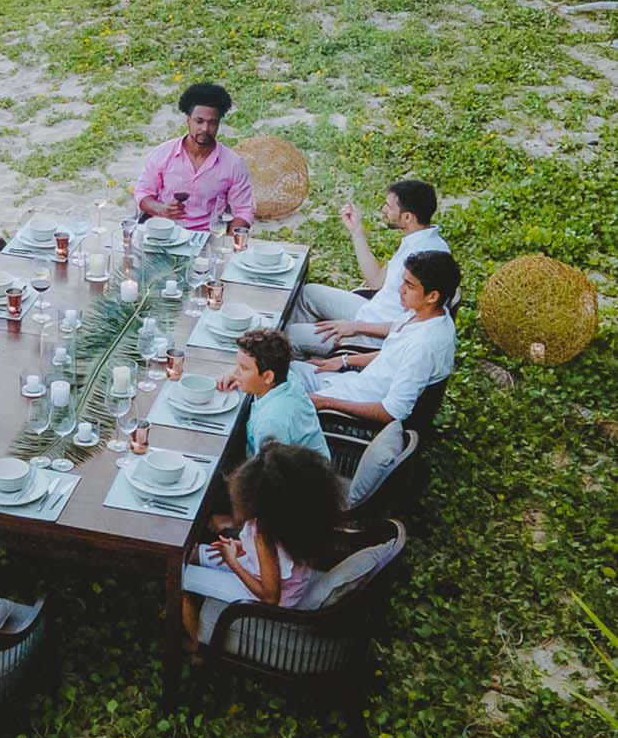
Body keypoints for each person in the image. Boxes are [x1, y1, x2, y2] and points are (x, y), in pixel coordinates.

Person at [181, 444, 343, 642]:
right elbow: (277, 555)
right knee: (194, 554)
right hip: (269, 572)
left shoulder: (264, 534)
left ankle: (197, 649)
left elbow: (270, 597)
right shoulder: (289, 519)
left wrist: (232, 561)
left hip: (274, 601)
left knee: (180, 577)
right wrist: (240, 547)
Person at [292, 250, 460, 429]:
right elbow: (392, 355)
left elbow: (391, 412)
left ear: (432, 296)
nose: (400, 290)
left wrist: (326, 402)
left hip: (350, 415)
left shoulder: (424, 346)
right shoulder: (424, 314)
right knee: (282, 369)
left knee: (271, 387)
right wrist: (343, 360)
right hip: (350, 384)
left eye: (410, 286)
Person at [287, 179, 448, 356]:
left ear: (407, 217)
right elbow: (376, 281)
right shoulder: (417, 240)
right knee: (308, 293)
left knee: (289, 335)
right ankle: (305, 352)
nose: (383, 210)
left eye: (388, 206)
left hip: (373, 337)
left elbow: (412, 327)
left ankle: (300, 364)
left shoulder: (427, 259)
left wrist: (356, 327)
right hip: (371, 311)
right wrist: (357, 231)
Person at [134, 83, 254, 233]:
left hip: (207, 237)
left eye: (212, 123)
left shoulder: (233, 164)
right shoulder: (162, 154)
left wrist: (232, 243)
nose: (205, 129)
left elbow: (243, 211)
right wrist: (161, 209)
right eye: (199, 121)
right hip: (163, 232)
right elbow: (143, 194)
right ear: (188, 119)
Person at [215, 328, 329, 462]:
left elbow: (268, 476)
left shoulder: (270, 423)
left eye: (244, 368)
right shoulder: (286, 376)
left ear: (268, 376)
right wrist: (235, 373)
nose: (237, 373)